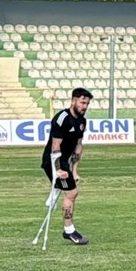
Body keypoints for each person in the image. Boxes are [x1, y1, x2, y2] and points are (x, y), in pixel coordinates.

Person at [41, 87, 93, 245]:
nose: (84, 106)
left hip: (65, 161)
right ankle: (68, 231)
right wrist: (58, 169)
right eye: (82, 102)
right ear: (73, 101)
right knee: (72, 193)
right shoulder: (62, 118)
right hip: (53, 160)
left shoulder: (82, 121)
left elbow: (78, 146)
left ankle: (55, 191)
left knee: (71, 190)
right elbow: (55, 147)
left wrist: (74, 171)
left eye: (87, 104)